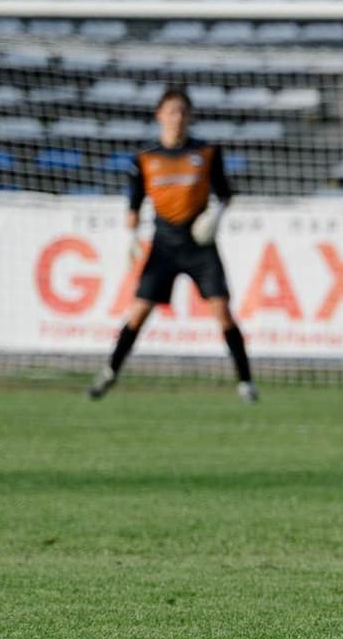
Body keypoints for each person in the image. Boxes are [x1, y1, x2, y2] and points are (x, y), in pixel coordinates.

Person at [88, 86, 257, 403]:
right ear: (159, 115)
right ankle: (109, 373)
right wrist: (131, 235)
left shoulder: (206, 153)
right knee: (137, 312)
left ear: (189, 117)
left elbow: (226, 194)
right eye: (171, 112)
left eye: (182, 112)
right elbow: (134, 205)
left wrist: (214, 216)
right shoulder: (145, 158)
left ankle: (246, 382)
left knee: (222, 312)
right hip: (163, 245)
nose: (177, 118)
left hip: (198, 245)